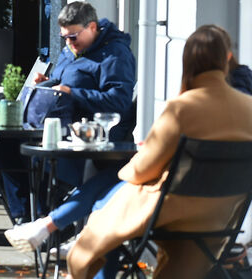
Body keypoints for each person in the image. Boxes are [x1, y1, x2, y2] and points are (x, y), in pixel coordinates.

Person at [67, 25, 252, 279]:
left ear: (187, 62)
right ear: (227, 58)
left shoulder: (182, 108)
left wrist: (126, 170)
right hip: (220, 219)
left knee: (105, 209)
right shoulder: (249, 108)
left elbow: (144, 169)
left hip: (173, 213)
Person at [0, 1, 136, 221]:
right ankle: (23, 217)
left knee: (39, 152)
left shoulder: (115, 54)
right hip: (57, 121)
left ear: (92, 27)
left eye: (74, 36)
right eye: (65, 37)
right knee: (5, 144)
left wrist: (72, 92)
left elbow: (119, 101)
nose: (70, 43)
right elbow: (64, 80)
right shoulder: (71, 49)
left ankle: (44, 219)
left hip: (89, 130)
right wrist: (48, 82)